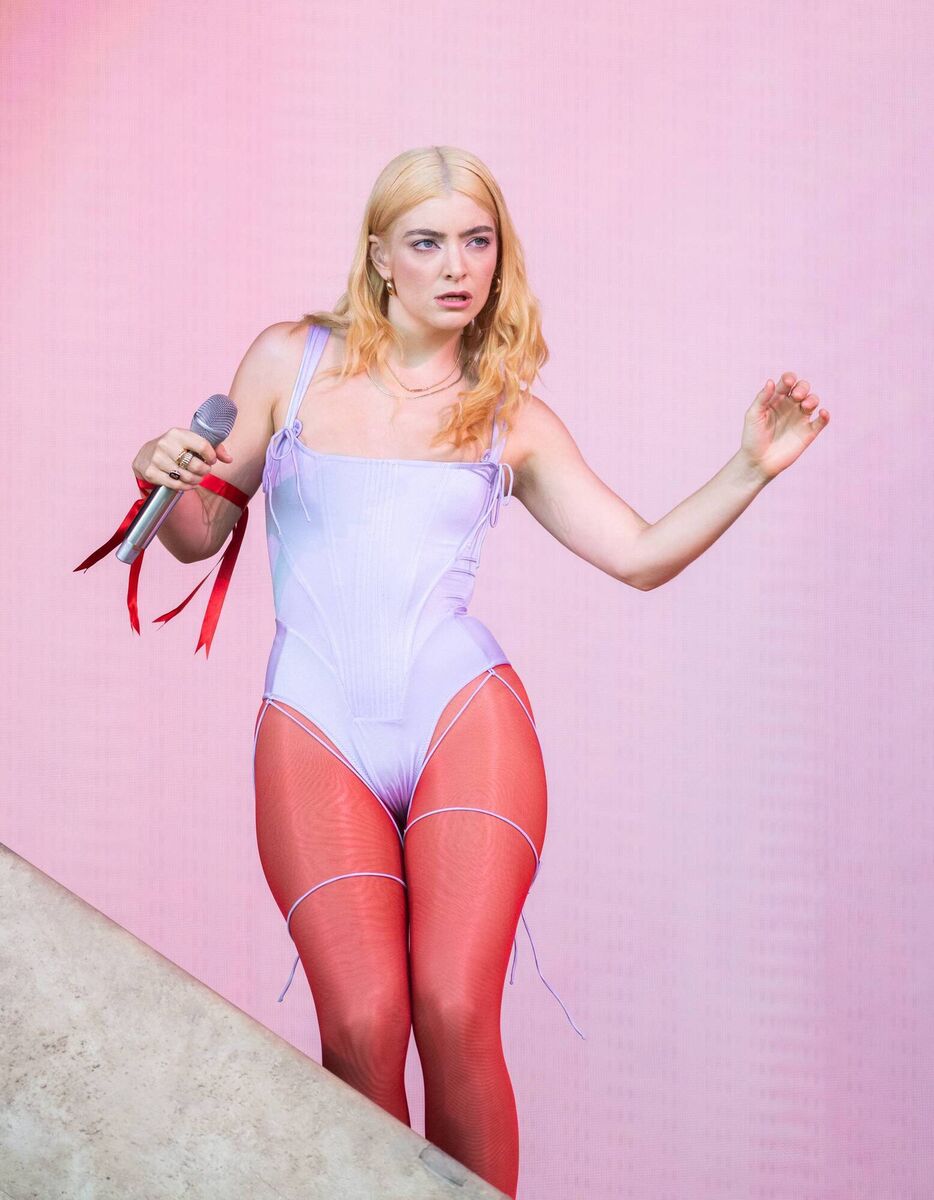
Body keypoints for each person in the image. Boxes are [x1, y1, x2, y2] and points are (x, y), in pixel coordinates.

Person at [77, 146, 829, 1199]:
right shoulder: (286, 361)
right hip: (315, 720)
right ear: (380, 255)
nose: (455, 264)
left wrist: (749, 467)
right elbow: (201, 535)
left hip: (459, 716)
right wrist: (156, 476)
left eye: (476, 240)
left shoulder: (508, 411)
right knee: (361, 1022)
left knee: (456, 1006)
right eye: (426, 241)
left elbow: (640, 556)